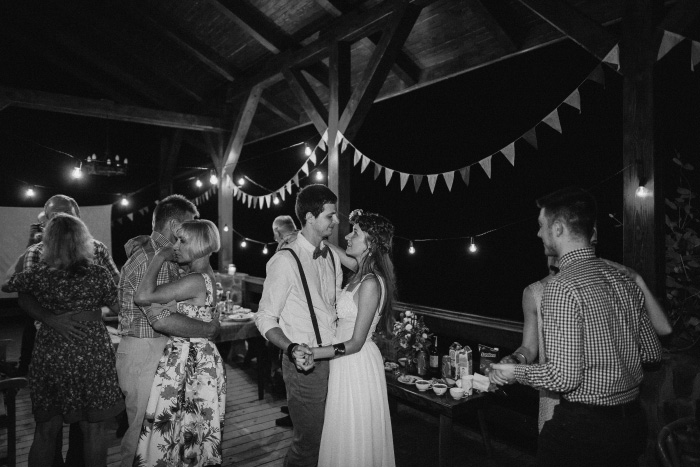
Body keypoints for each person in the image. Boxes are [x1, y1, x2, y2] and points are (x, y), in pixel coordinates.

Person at [490, 186, 663, 467]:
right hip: (631, 424)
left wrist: (514, 372)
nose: (538, 234)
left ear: (558, 229)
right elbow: (653, 354)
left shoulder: (561, 287)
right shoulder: (624, 280)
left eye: (541, 226)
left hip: (585, 431)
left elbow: (564, 378)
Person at [496, 240, 673, 433]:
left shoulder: (599, 285)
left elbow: (565, 376)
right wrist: (515, 360)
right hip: (554, 392)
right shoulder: (535, 292)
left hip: (583, 400)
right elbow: (529, 348)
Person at [7, 195, 120, 467]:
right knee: (91, 429)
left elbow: (12, 286)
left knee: (47, 429)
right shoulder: (96, 272)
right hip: (89, 350)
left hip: (51, 351)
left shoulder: (40, 268)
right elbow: (119, 301)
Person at [116, 194, 220, 467]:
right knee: (141, 434)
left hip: (165, 351)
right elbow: (159, 317)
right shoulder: (153, 255)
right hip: (145, 347)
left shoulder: (170, 258)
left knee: (164, 434)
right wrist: (208, 327)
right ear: (174, 225)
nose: (190, 233)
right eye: (187, 227)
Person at [254, 184, 342, 467]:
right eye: (331, 215)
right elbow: (265, 316)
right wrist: (291, 347)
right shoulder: (284, 260)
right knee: (308, 444)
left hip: (336, 359)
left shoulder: (330, 256)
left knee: (330, 440)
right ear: (310, 217)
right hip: (305, 365)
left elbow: (334, 306)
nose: (336, 221)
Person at [310, 208, 396, 466]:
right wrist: (317, 240)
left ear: (370, 244)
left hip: (355, 360)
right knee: (344, 431)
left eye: (355, 233)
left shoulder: (371, 283)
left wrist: (314, 352)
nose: (347, 236)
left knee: (354, 433)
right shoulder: (360, 273)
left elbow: (356, 342)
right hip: (344, 361)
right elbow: (343, 256)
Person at [271, 215, 299, 427]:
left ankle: (295, 414)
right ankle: (292, 407)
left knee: (291, 371)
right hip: (293, 318)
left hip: (292, 320)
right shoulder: (300, 241)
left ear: (278, 231)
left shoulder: (286, 248)